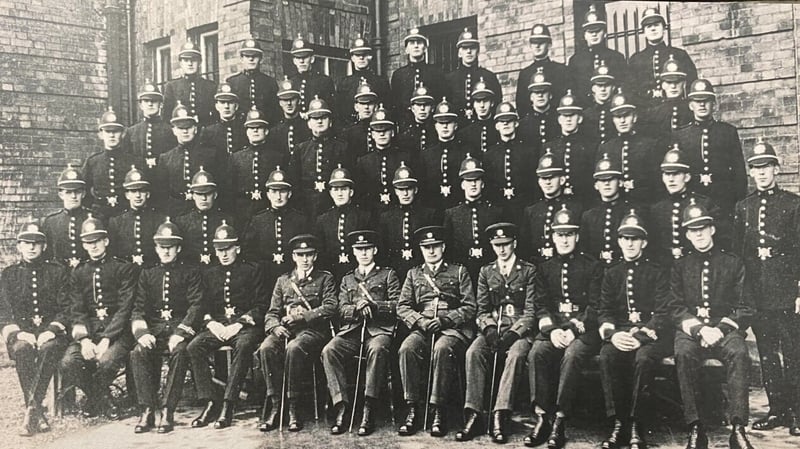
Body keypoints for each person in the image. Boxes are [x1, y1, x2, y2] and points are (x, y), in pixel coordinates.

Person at [670, 201, 755, 449]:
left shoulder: (732, 262)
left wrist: (720, 329)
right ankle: (695, 428)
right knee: (683, 354)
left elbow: (745, 306)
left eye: (703, 228)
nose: (699, 234)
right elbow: (675, 308)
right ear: (686, 234)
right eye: (693, 230)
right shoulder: (680, 265)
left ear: (712, 230)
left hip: (724, 329)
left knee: (739, 353)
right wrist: (699, 329)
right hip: (692, 330)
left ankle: (738, 429)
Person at [734, 139, 800, 436]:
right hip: (757, 293)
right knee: (768, 353)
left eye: (765, 167)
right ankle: (778, 410)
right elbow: (739, 253)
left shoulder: (793, 203)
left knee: (793, 351)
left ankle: (798, 412)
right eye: (755, 168)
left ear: (777, 169)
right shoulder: (743, 207)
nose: (761, 173)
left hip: (785, 290)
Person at [524, 206, 603, 449]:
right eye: (560, 234)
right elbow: (540, 305)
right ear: (553, 237)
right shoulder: (545, 267)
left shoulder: (592, 266)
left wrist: (572, 329)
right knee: (537, 352)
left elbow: (594, 306)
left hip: (583, 330)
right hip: (555, 329)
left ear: (577, 237)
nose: (565, 239)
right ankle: (541, 416)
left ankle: (560, 418)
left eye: (569, 234)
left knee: (572, 355)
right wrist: (552, 330)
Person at [596, 210, 672, 449]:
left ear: (644, 242)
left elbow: (663, 313)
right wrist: (613, 334)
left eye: (635, 239)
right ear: (618, 241)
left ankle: (638, 424)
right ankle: (618, 423)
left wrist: (640, 336)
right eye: (625, 239)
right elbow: (605, 310)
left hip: (650, 336)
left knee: (643, 359)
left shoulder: (657, 271)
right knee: (607, 356)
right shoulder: (612, 272)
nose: (630, 243)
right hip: (620, 334)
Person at [458, 223, 537, 443]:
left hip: (519, 331)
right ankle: (473, 413)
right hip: (494, 328)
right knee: (473, 351)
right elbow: (481, 309)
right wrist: (490, 329)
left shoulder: (528, 270)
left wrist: (514, 333)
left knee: (516, 355)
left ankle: (500, 414)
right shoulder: (486, 271)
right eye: (497, 245)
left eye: (505, 244)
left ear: (514, 244)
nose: (501, 249)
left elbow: (531, 311)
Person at [396, 225, 476, 437]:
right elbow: (402, 306)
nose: (431, 251)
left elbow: (470, 306)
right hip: (424, 327)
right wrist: (420, 321)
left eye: (435, 246)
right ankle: (413, 407)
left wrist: (447, 319)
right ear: (421, 250)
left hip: (451, 330)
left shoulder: (459, 271)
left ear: (443, 247)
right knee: (406, 349)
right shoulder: (414, 274)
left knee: (441, 349)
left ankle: (438, 409)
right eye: (426, 247)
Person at [187, 222, 267, 429]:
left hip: (245, 328)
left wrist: (240, 323)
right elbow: (202, 305)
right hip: (218, 327)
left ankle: (228, 404)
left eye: (228, 249)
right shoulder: (209, 273)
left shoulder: (253, 270)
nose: (223, 254)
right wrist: (211, 323)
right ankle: (210, 401)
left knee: (244, 346)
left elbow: (261, 306)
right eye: (219, 250)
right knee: (194, 347)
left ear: (237, 249)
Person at [322, 230, 401, 436]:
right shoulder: (348, 278)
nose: (364, 253)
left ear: (374, 250)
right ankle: (342, 406)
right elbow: (340, 308)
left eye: (367, 249)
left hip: (379, 330)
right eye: (359, 250)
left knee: (377, 349)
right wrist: (356, 307)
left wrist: (374, 306)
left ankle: (369, 406)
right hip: (353, 330)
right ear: (353, 253)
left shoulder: (388, 275)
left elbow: (398, 305)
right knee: (330, 350)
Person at [129, 218, 204, 434]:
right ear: (156, 248)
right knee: (137, 352)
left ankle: (167, 409)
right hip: (155, 330)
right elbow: (138, 308)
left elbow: (196, 305)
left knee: (180, 353)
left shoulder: (190, 272)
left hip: (179, 330)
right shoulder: (147, 273)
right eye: (162, 247)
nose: (166, 251)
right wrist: (142, 333)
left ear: (178, 248)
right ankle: (147, 409)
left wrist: (181, 332)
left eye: (170, 247)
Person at [258, 234, 337, 432]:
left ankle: (293, 407)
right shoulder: (283, 281)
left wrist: (302, 317)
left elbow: (330, 307)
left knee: (294, 348)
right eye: (300, 254)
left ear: (315, 256)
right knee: (266, 347)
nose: (305, 259)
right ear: (293, 256)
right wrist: (274, 327)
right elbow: (272, 312)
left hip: (313, 331)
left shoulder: (325, 278)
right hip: (285, 330)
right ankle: (276, 405)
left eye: (309, 254)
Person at [61, 216, 137, 419]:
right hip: (89, 331)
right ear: (83, 245)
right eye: (88, 242)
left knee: (106, 361)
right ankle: (101, 398)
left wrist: (107, 338)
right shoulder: (78, 272)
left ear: (106, 241)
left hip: (118, 331)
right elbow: (76, 310)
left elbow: (125, 308)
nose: (93, 246)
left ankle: (94, 401)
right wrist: (85, 341)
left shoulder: (123, 268)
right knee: (69, 362)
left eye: (97, 240)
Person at [0, 223, 69, 436]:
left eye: (36, 244)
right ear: (19, 246)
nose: (32, 248)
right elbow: (4, 310)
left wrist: (52, 329)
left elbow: (67, 307)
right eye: (27, 243)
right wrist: (19, 332)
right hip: (22, 332)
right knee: (21, 349)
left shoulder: (57, 272)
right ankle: (36, 409)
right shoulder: (9, 274)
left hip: (51, 332)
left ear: (44, 246)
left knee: (49, 349)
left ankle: (31, 410)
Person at [672, 79, 746, 221]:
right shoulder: (681, 135)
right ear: (690, 105)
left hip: (723, 200)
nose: (702, 104)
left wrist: (738, 204)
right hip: (693, 200)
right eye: (697, 100)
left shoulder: (728, 132)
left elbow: (739, 173)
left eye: (706, 100)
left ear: (714, 104)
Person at [648, 146, 719, 266]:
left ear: (687, 177)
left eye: (676, 174)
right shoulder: (657, 209)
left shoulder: (703, 204)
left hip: (694, 266)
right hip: (665, 267)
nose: (671, 179)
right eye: (667, 174)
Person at [241, 167, 310, 288]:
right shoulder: (257, 220)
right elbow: (249, 252)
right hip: (265, 277)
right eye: (274, 191)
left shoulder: (300, 220)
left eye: (282, 191)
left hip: (292, 276)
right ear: (268, 194)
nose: (278, 196)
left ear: (289, 193)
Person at [154, 102, 226, 214]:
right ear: (174, 130)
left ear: (195, 129)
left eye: (188, 127)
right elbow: (162, 192)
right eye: (180, 128)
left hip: (204, 211)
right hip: (175, 211)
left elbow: (220, 185)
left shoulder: (211, 155)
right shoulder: (166, 158)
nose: (185, 131)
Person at [596, 90, 665, 206]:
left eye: (626, 115)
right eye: (618, 117)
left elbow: (657, 183)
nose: (622, 121)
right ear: (613, 120)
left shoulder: (650, 145)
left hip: (644, 203)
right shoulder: (606, 148)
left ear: (634, 117)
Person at [443, 155, 504, 284]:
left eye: (477, 180)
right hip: (463, 272)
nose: (473, 184)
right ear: (462, 185)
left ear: (483, 184)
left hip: (490, 272)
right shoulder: (452, 213)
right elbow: (448, 248)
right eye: (469, 180)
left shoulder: (495, 212)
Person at [227, 106, 289, 227]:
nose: (255, 131)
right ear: (246, 132)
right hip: (243, 210)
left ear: (266, 131)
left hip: (267, 208)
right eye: (251, 128)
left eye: (259, 127)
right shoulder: (236, 157)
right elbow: (230, 190)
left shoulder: (277, 157)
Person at [291, 97, 353, 218]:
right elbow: (295, 181)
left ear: (330, 122)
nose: (319, 121)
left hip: (332, 203)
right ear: (309, 123)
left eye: (323, 118)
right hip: (306, 205)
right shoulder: (301, 149)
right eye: (315, 118)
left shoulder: (342, 147)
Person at [378, 163, 439, 282]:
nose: (405, 194)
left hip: (421, 273)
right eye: (401, 189)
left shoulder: (429, 214)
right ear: (395, 191)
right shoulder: (386, 217)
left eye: (409, 189)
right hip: (395, 273)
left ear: (415, 190)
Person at [627, 7, 697, 108]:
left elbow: (691, 84)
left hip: (676, 109)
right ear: (644, 32)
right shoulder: (636, 59)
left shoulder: (680, 55)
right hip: (647, 113)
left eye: (656, 25)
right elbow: (631, 91)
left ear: (664, 28)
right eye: (648, 26)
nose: (653, 29)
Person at [521, 151, 583, 265]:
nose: (548, 182)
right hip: (536, 266)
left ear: (562, 180)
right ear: (539, 182)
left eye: (552, 177)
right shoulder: (531, 211)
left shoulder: (575, 209)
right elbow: (525, 246)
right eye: (544, 178)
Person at [484, 102, 540, 224]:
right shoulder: (489, 154)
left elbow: (534, 182)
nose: (505, 123)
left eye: (509, 120)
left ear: (516, 123)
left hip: (523, 207)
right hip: (499, 208)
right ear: (496, 126)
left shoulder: (528, 151)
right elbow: (488, 184)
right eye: (501, 121)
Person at [314, 166, 372, 280]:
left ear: (351, 192)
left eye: (344, 189)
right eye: (336, 189)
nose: (340, 194)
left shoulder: (364, 217)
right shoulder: (322, 220)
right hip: (331, 273)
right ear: (330, 193)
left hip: (356, 273)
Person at [355, 104, 412, 212]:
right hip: (372, 213)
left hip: (397, 213)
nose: (381, 134)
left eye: (386, 129)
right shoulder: (364, 161)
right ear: (372, 134)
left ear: (393, 132)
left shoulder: (405, 158)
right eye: (377, 130)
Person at [545, 90, 599, 205]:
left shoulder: (591, 146)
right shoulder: (550, 147)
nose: (568, 119)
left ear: (580, 119)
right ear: (559, 120)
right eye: (564, 115)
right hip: (557, 202)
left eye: (572, 115)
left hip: (584, 201)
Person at [83, 107, 137, 217]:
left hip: (125, 215)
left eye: (116, 131)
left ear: (123, 134)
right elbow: (83, 191)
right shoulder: (93, 162)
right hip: (100, 216)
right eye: (108, 131)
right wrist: (94, 210)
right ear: (101, 134)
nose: (112, 135)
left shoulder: (133, 162)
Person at [174, 168, 234, 266]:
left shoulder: (228, 220)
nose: (204, 198)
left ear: (215, 195)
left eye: (208, 193)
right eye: (199, 194)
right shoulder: (182, 222)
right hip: (192, 271)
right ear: (193, 196)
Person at [568, 5, 627, 104]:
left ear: (604, 33)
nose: (594, 34)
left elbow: (623, 86)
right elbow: (573, 89)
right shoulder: (575, 61)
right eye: (590, 31)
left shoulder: (617, 58)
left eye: (597, 31)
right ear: (584, 35)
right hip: (585, 111)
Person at [580, 155, 632, 266]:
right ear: (596, 185)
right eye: (602, 180)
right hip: (596, 269)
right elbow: (585, 251)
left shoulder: (629, 214)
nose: (606, 183)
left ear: (620, 182)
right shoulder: (589, 216)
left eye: (611, 179)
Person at [108, 166, 165, 267]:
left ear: (148, 194)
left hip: (151, 271)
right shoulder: (116, 222)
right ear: (127, 195)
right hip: (125, 272)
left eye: (141, 191)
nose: (138, 195)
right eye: (133, 191)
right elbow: (112, 254)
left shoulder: (159, 220)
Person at [418, 98, 467, 212]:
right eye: (441, 123)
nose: (445, 126)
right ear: (435, 126)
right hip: (434, 208)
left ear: (455, 125)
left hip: (458, 208)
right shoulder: (427, 154)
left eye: (448, 122)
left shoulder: (465, 151)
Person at [41, 165, 93, 268]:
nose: (73, 196)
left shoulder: (93, 219)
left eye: (77, 192)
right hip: (60, 275)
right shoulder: (51, 222)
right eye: (68, 192)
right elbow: (47, 254)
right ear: (61, 195)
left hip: (86, 274)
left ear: (83, 194)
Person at [445, 28, 501, 122]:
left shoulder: (489, 77)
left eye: (472, 48)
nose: (469, 51)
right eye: (465, 48)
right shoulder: (450, 79)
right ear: (459, 53)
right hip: (459, 127)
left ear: (478, 51)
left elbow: (497, 104)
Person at [516, 23, 572, 119]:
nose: (537, 45)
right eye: (534, 42)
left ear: (549, 45)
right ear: (530, 45)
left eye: (541, 42)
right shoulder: (525, 74)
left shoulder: (561, 70)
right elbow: (521, 106)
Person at [390, 27, 448, 117]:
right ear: (406, 49)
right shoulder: (399, 75)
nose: (416, 45)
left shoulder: (436, 73)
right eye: (412, 43)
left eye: (419, 43)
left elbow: (440, 100)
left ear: (425, 48)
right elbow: (395, 105)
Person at [336, 34, 391, 124]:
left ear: (370, 57)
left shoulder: (381, 82)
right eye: (357, 55)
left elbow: (387, 108)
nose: (361, 57)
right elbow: (340, 112)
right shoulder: (344, 83)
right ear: (352, 58)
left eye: (364, 54)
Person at [123, 80, 176, 173]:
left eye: (154, 101)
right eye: (146, 101)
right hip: (139, 178)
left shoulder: (170, 130)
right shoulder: (131, 132)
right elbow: (126, 159)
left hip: (163, 178)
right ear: (140, 105)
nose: (150, 104)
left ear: (161, 104)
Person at [226, 37, 281, 125]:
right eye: (247, 56)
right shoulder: (232, 82)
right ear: (241, 59)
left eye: (255, 56)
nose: (251, 59)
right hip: (240, 129)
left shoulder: (270, 82)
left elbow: (276, 111)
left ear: (261, 59)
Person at [163, 39, 216, 126]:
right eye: (186, 60)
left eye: (193, 60)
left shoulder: (210, 86)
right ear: (180, 63)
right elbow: (167, 117)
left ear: (199, 62)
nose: (190, 64)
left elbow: (215, 116)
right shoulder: (172, 86)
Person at [640, 55, 692, 138]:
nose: (673, 86)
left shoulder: (691, 110)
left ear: (684, 84)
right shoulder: (655, 113)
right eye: (669, 82)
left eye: (677, 82)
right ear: (663, 85)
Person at [287, 35, 336, 114]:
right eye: (298, 58)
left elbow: (331, 109)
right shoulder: (291, 82)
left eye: (305, 57)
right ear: (294, 61)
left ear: (312, 59)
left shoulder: (324, 81)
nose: (301, 61)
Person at [518, 68, 560, 155]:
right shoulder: (523, 124)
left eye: (544, 92)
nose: (540, 95)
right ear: (531, 97)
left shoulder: (559, 119)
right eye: (536, 92)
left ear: (550, 95)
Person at [268, 77, 310, 162]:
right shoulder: (275, 131)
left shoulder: (308, 127)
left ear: (298, 101)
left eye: (292, 99)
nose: (289, 103)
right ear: (280, 103)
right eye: (285, 100)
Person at [199, 82, 246, 156]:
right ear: (216, 106)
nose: (226, 106)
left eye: (230, 102)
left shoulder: (244, 130)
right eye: (222, 102)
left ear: (236, 106)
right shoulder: (209, 132)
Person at [338, 81, 382, 158]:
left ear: (376, 107)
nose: (366, 107)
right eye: (362, 103)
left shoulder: (382, 129)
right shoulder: (349, 132)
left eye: (370, 103)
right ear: (356, 107)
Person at [458, 78, 500, 155]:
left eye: (485, 101)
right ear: (473, 105)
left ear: (492, 103)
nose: (482, 106)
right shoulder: (465, 133)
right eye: (478, 101)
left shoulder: (499, 128)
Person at [583, 61, 617, 146]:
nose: (603, 89)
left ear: (613, 88)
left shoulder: (617, 113)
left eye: (607, 85)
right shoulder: (586, 114)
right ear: (593, 88)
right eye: (599, 86)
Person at [397, 84, 437, 154]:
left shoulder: (437, 131)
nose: (422, 108)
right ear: (412, 108)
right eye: (418, 105)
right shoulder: (406, 133)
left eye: (426, 105)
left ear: (432, 108)